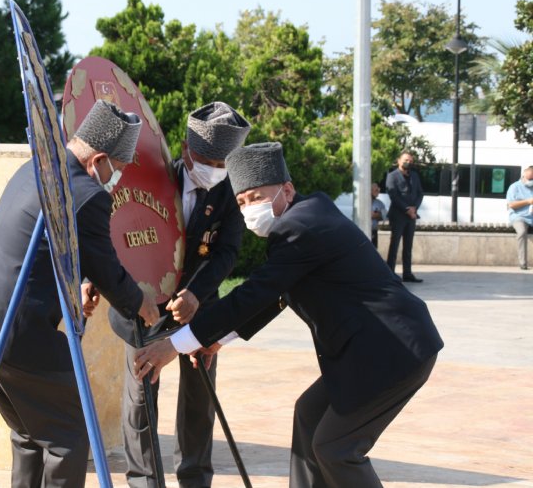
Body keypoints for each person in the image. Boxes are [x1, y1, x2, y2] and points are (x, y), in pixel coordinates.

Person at [133, 142, 444, 488]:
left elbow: (254, 293)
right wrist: (219, 339)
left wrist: (175, 344)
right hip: (372, 351)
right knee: (309, 416)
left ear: (287, 189)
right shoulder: (305, 217)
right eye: (241, 202)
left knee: (336, 449)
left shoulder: (301, 227)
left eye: (256, 197)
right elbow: (277, 295)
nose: (249, 208)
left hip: (391, 352)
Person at [0, 99, 160, 488]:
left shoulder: (37, 170)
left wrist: (74, 285)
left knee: (31, 435)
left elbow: (45, 248)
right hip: (19, 336)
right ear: (98, 160)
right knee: (68, 437)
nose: (119, 178)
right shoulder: (86, 193)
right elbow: (109, 270)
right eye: (121, 167)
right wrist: (142, 305)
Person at [106, 101, 250, 488]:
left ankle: (195, 478)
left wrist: (195, 294)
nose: (215, 171)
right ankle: (145, 482)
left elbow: (227, 253)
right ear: (186, 151)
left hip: (199, 305)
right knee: (141, 400)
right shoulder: (151, 179)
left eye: (223, 163)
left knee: (199, 401)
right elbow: (120, 233)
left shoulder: (228, 190)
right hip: (144, 304)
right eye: (207, 161)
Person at [386, 151, 424, 282]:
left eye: (410, 161)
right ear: (399, 161)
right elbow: (393, 196)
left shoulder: (414, 175)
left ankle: (407, 273)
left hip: (411, 215)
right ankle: (390, 273)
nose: (408, 162)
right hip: (398, 215)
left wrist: (414, 208)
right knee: (394, 244)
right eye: (405, 160)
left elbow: (420, 193)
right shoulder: (392, 176)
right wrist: (406, 208)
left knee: (408, 246)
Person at [506, 165, 533, 270]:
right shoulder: (514, 187)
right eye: (529, 179)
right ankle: (523, 263)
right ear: (524, 174)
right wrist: (527, 201)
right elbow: (511, 205)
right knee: (521, 232)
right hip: (519, 216)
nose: (531, 181)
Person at [371, 182, 388, 248]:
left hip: (374, 231)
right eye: (376, 190)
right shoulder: (361, 202)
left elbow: (385, 217)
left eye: (378, 190)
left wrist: (377, 215)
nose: (378, 192)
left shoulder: (380, 204)